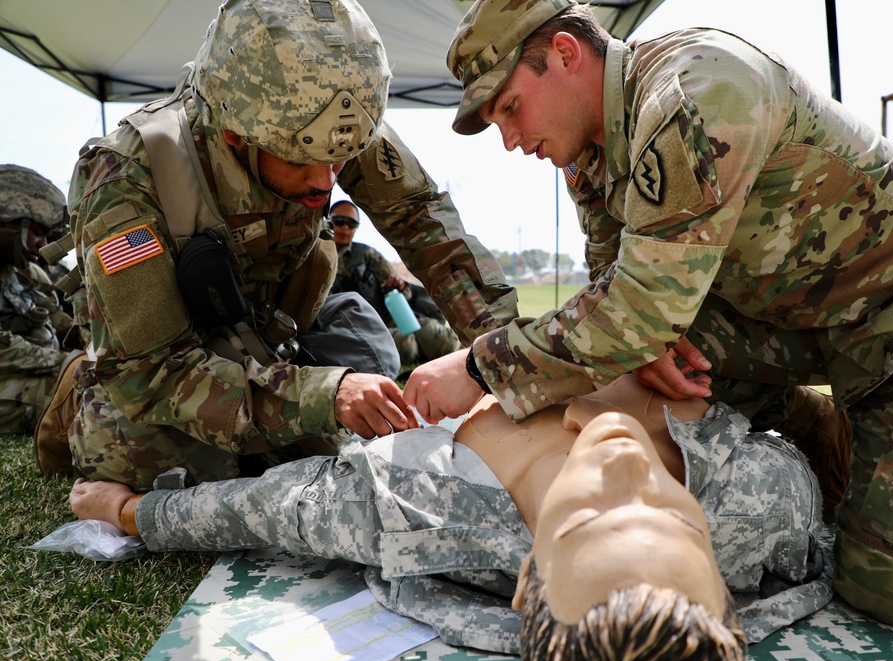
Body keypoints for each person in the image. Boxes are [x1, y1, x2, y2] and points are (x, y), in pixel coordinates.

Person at [403, 0, 893, 629]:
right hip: (825, 323)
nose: (512, 141)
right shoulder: (598, 153)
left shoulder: (695, 90)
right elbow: (616, 293)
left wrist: (480, 365)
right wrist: (647, 342)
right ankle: (823, 427)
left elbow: (638, 310)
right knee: (643, 366)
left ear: (564, 54)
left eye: (510, 108)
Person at [60, 0, 517, 491]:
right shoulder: (128, 178)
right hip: (173, 370)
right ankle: (68, 392)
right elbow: (148, 374)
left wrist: (507, 352)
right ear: (235, 137)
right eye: (300, 162)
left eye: (340, 159)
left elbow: (422, 222)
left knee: (364, 371)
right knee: (154, 459)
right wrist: (326, 395)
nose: (325, 181)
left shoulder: (331, 122)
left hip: (278, 342)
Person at [70, 374, 830, 659]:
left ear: (529, 578)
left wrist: (132, 509)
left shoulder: (410, 507)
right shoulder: (768, 501)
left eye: (590, 518)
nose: (631, 468)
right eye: (679, 519)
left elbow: (263, 508)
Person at [327, 198, 462, 366]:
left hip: (385, 321)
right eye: (339, 221)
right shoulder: (316, 254)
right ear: (328, 222)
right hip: (348, 328)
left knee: (445, 340)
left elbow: (399, 290)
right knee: (407, 346)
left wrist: (400, 287)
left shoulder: (367, 254)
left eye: (352, 223)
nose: (345, 227)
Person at [0, 164, 81, 439]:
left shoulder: (30, 274)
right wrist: (72, 364)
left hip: (31, 372)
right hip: (11, 378)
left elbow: (61, 325)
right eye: (35, 231)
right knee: (66, 396)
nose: (42, 243)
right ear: (7, 221)